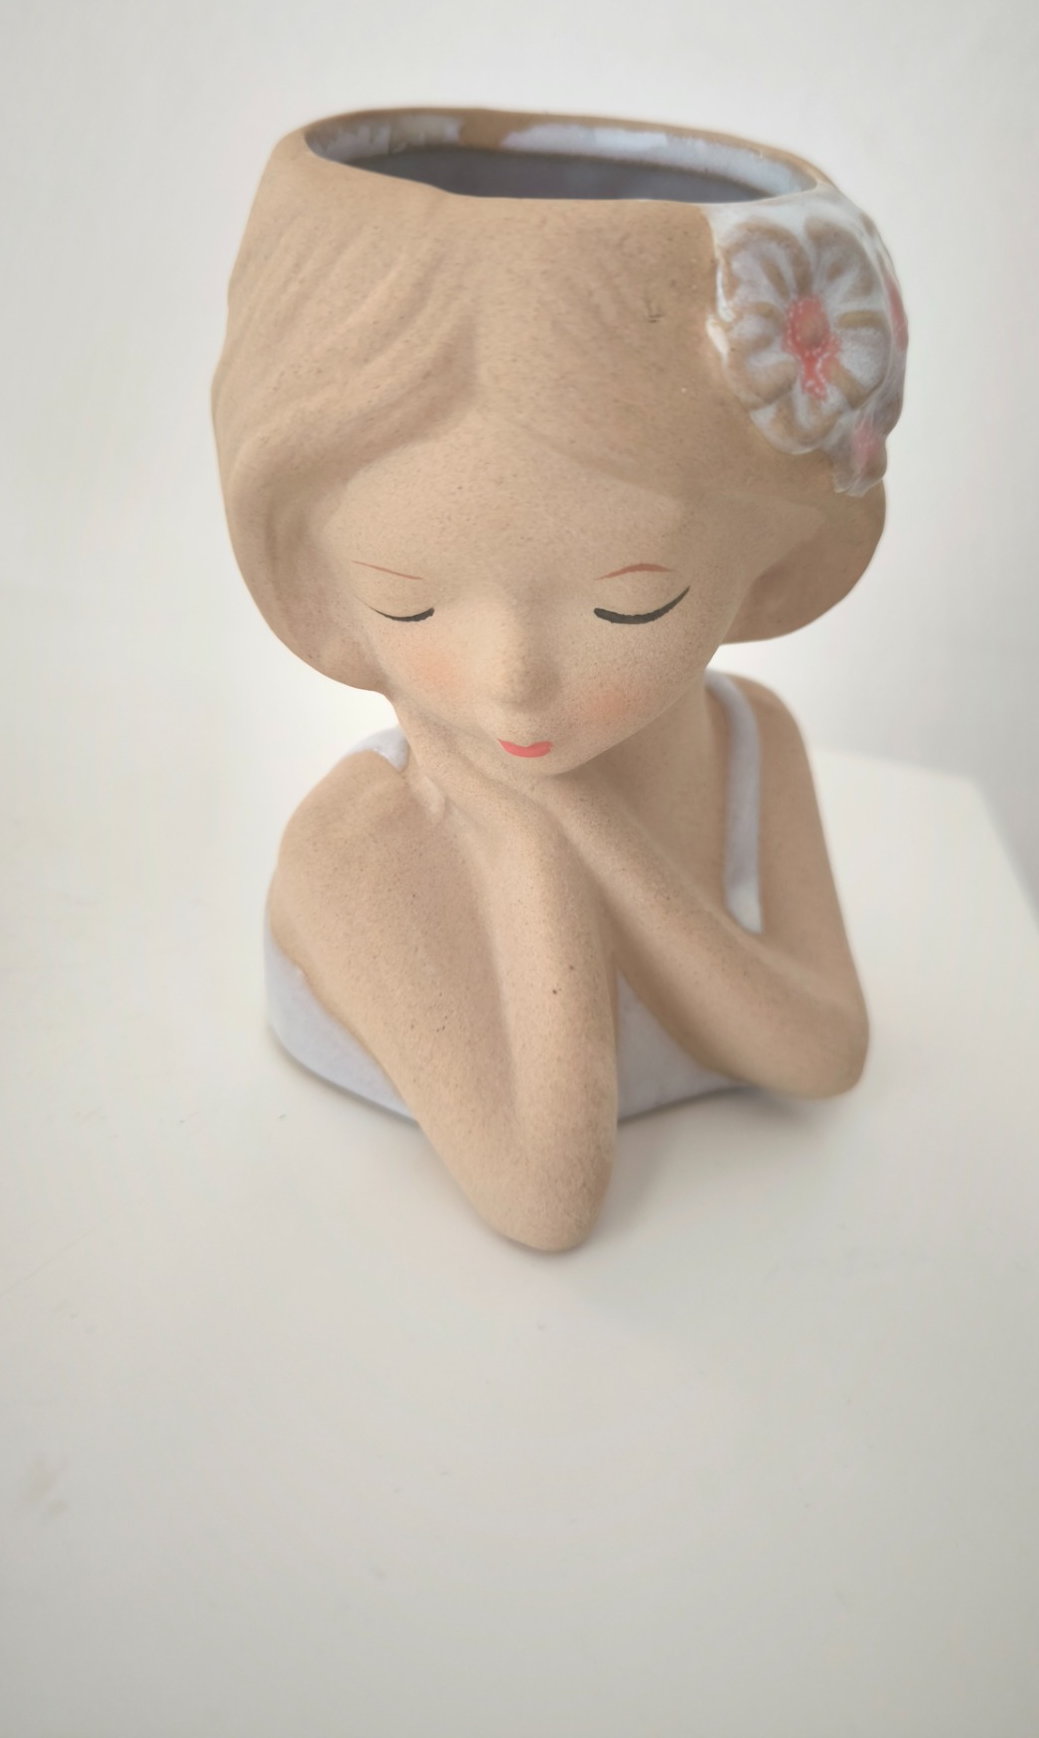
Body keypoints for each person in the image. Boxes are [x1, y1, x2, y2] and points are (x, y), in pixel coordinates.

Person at [212, 107, 907, 1252]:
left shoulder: (750, 743)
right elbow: (546, 1193)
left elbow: (827, 1050)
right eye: (409, 603)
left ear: (766, 560)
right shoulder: (357, 846)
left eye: (630, 606)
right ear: (322, 574)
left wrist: (584, 827)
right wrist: (530, 855)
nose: (513, 682)